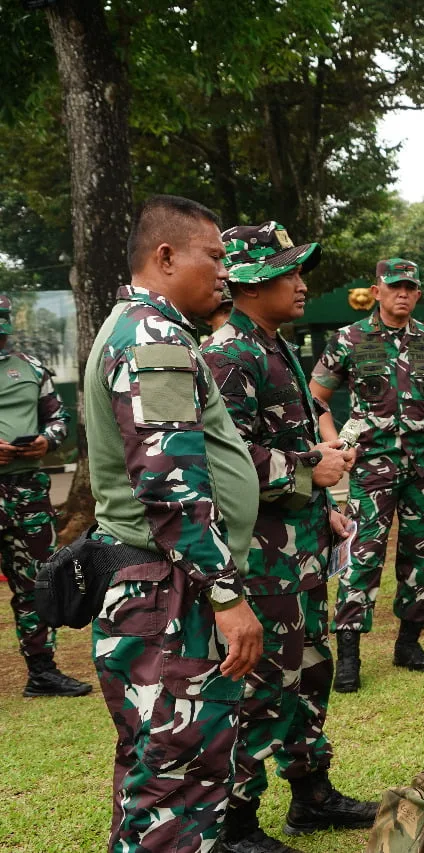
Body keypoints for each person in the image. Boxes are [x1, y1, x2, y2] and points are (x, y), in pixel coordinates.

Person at [85, 194, 264, 853]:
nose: (224, 272)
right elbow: (169, 483)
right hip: (171, 589)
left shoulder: (139, 328)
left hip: (158, 583)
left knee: (153, 772)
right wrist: (226, 594)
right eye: (213, 256)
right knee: (178, 783)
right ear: (165, 257)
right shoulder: (153, 339)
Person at [202, 222, 377, 852]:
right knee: (262, 681)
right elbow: (221, 457)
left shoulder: (273, 345)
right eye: (287, 273)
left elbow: (279, 443)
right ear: (251, 284)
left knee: (309, 668)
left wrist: (322, 494)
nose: (302, 284)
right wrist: (310, 468)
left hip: (298, 547)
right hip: (261, 557)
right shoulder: (230, 354)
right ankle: (237, 822)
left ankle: (311, 794)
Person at [309, 258, 424, 693]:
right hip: (372, 467)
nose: (402, 293)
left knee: (422, 554)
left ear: (417, 294)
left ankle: (409, 643)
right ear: (377, 291)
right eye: (394, 286)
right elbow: (317, 396)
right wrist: (335, 445)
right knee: (362, 555)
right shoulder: (349, 339)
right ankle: (350, 655)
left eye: (410, 287)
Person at [0, 294, 91, 698]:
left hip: (28, 492)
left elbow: (58, 416)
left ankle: (42, 672)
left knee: (35, 581)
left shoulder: (31, 369)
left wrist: (45, 440)